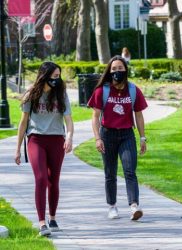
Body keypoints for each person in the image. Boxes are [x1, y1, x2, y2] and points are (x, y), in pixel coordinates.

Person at [14, 62, 74, 236]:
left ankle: (52, 218)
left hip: (56, 140)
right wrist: (17, 148)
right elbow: (23, 122)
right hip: (36, 139)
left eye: (58, 76)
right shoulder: (32, 94)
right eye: (54, 76)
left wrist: (69, 137)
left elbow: (69, 120)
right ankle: (42, 223)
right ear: (44, 76)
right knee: (41, 178)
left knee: (53, 180)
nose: (57, 79)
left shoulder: (61, 93)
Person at [87, 55, 147, 220]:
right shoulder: (102, 91)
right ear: (109, 70)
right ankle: (112, 206)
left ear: (126, 70)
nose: (117, 71)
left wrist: (142, 138)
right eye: (114, 69)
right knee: (110, 173)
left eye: (120, 68)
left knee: (130, 170)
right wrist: (97, 138)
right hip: (107, 134)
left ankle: (134, 206)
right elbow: (95, 116)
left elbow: (139, 115)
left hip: (127, 134)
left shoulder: (133, 90)